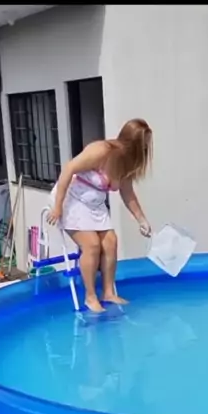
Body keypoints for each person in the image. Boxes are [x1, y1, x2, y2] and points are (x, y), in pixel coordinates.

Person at [47, 118, 152, 312]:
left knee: (110, 241)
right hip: (71, 199)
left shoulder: (127, 163)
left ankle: (108, 292)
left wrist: (141, 219)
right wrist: (58, 207)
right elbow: (69, 169)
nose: (146, 148)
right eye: (143, 144)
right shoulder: (101, 151)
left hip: (95, 205)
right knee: (92, 245)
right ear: (133, 143)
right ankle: (90, 296)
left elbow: (127, 193)